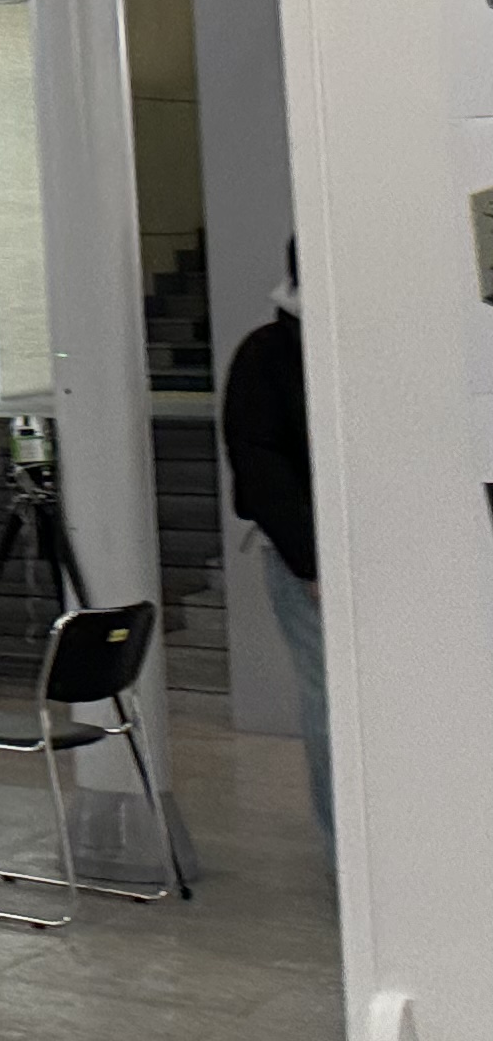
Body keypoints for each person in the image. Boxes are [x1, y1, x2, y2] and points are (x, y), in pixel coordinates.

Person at [220, 248, 331, 836]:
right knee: (331, 701)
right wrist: (310, 563)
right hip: (304, 559)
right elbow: (262, 470)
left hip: (376, 550)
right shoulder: (267, 354)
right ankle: (347, 854)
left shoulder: (353, 339)